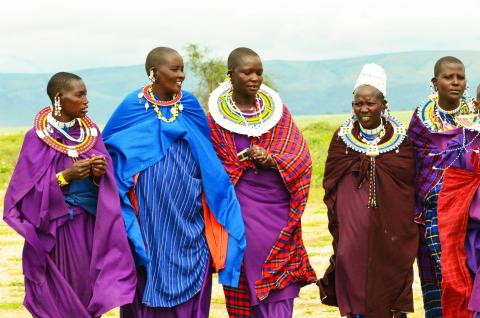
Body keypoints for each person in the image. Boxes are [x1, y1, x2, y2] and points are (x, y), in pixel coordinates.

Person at [102, 47, 246, 318]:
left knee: (194, 269)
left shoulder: (189, 105)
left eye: (182, 69)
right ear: (154, 72)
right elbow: (108, 149)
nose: (181, 75)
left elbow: (206, 154)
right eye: (175, 69)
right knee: (146, 268)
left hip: (189, 214)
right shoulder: (131, 106)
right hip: (147, 216)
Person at [3, 72, 137, 317]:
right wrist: (66, 177)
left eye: (86, 94)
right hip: (53, 230)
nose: (86, 100)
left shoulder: (91, 133)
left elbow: (106, 187)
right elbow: (23, 194)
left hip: (86, 228)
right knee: (56, 295)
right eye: (80, 95)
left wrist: (99, 175)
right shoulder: (36, 138)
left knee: (85, 288)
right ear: (59, 98)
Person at [208, 47, 317, 318]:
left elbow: (300, 156)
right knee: (243, 274)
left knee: (278, 279)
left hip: (276, 209)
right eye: (247, 72)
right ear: (231, 76)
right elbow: (210, 165)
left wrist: (272, 159)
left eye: (259, 72)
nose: (255, 78)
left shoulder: (278, 114)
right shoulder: (215, 120)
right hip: (237, 208)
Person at [319, 64, 418, 318]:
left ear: (384, 104)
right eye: (358, 103)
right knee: (350, 259)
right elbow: (331, 180)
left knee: (390, 262)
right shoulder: (342, 139)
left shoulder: (401, 142)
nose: (363, 109)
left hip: (390, 223)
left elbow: (407, 184)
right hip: (352, 221)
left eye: (370, 103)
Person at [408, 56, 480, 317]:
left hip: (468, 215)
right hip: (432, 215)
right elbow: (414, 165)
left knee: (467, 272)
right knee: (438, 279)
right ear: (435, 82)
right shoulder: (421, 120)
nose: (455, 82)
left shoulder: (475, 120)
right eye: (448, 77)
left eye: (460, 77)